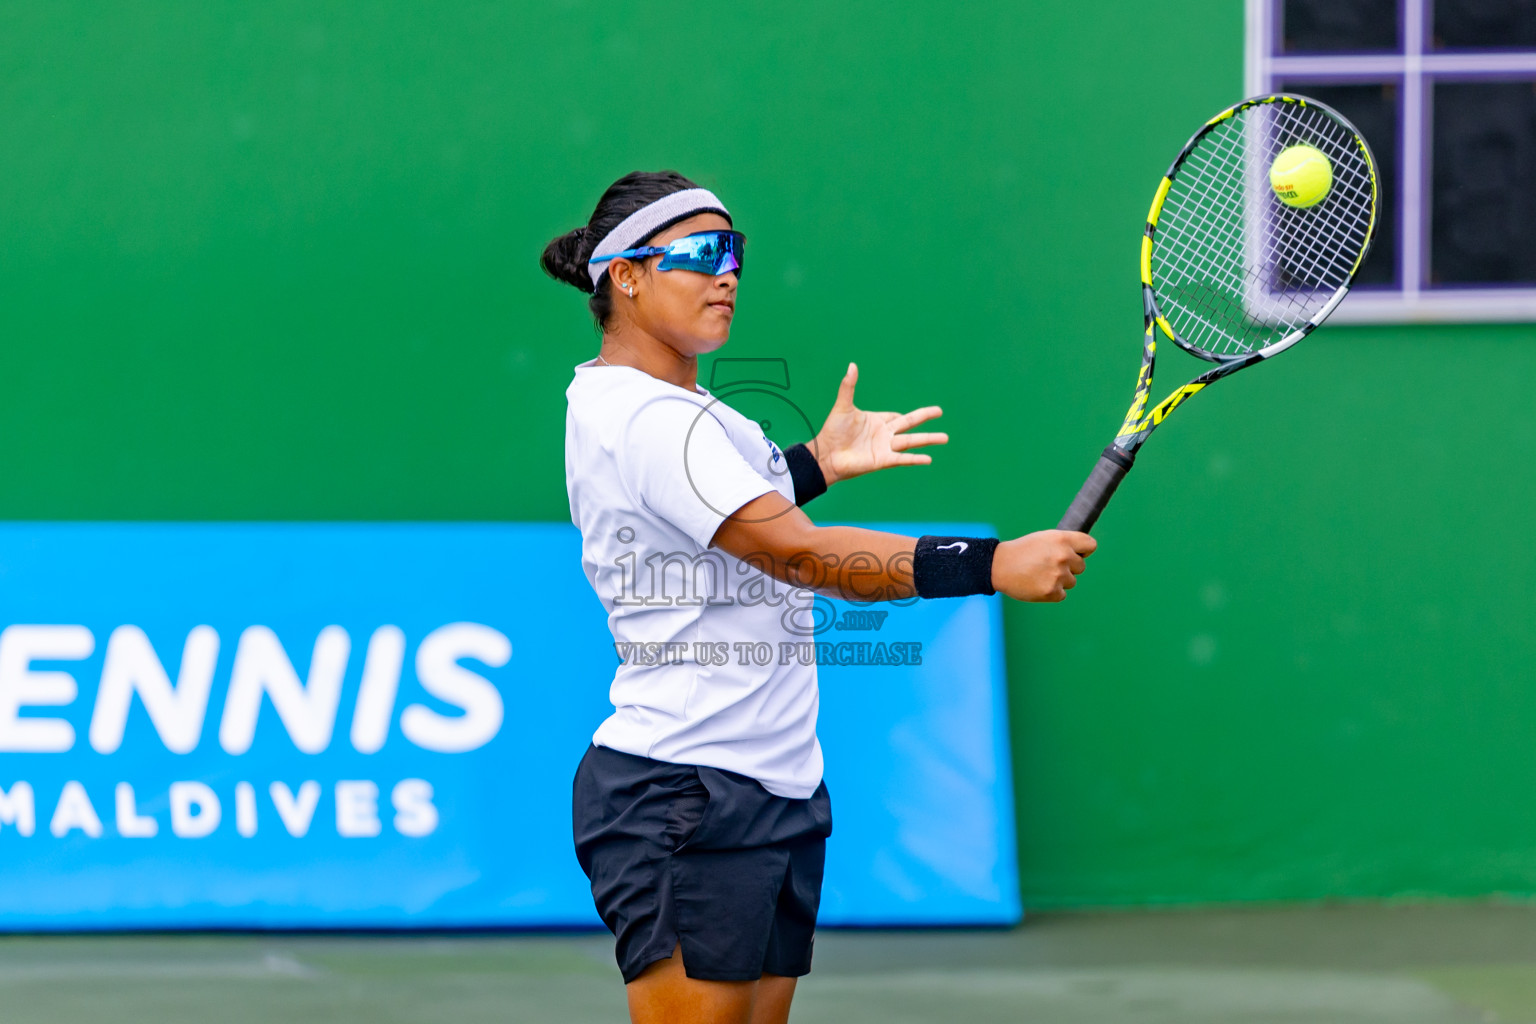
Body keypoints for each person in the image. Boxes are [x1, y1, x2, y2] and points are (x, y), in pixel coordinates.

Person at [542, 170, 1096, 1024]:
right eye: (700, 253)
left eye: (735, 252)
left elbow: (738, 509)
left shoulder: (692, 411)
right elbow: (790, 551)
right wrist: (989, 565)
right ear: (626, 273)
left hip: (774, 782)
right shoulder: (646, 417)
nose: (726, 273)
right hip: (686, 791)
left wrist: (816, 465)